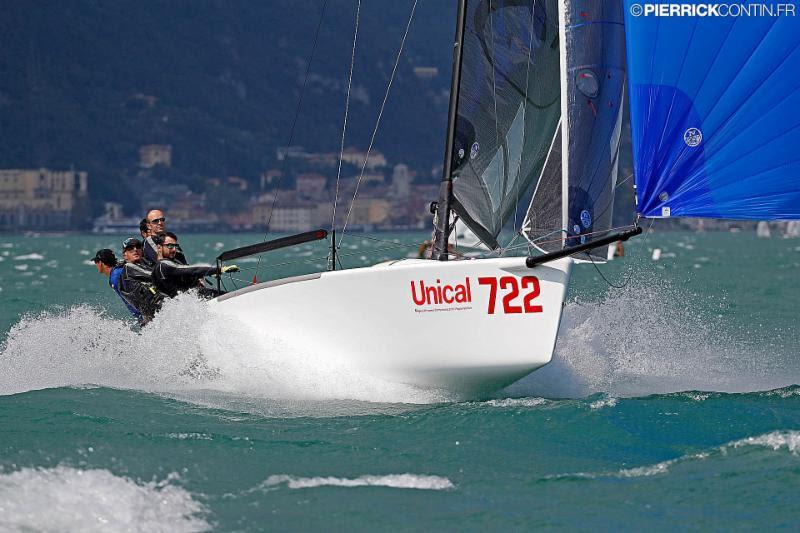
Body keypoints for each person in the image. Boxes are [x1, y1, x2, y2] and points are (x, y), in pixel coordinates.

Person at [151, 232, 239, 299]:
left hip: (185, 302)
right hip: (189, 300)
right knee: (230, 297)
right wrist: (220, 269)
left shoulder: (158, 267)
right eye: (170, 246)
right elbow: (193, 270)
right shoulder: (164, 265)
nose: (174, 250)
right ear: (159, 247)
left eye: (175, 246)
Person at [118, 237, 163, 325]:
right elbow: (158, 275)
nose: (135, 250)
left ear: (141, 251)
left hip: (154, 317)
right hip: (157, 312)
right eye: (130, 248)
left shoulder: (144, 266)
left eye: (138, 247)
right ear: (125, 255)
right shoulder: (128, 268)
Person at [92, 248, 141, 320]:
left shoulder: (115, 277)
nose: (96, 263)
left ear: (101, 262)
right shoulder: (118, 271)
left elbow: (135, 297)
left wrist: (143, 317)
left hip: (145, 315)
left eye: (96, 261)